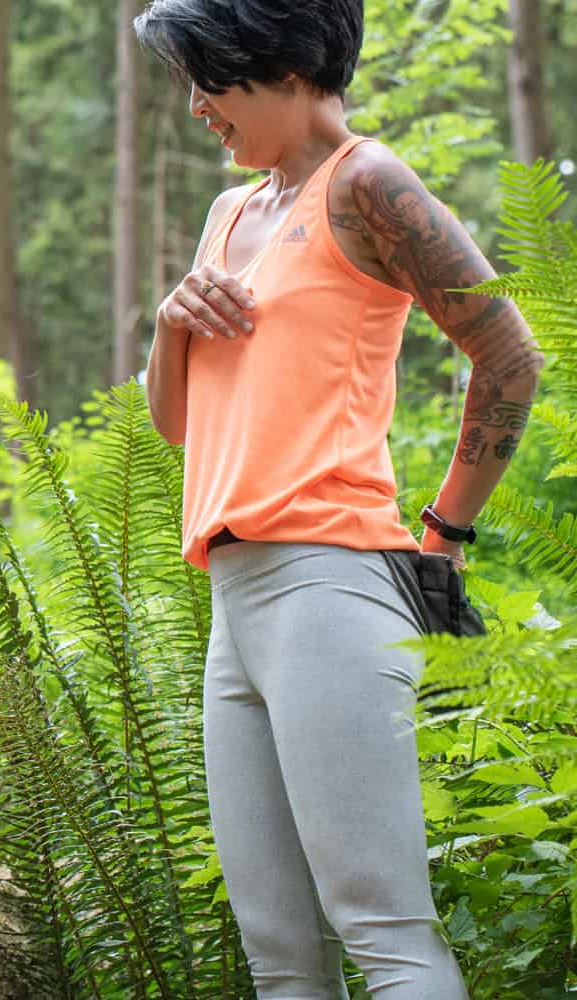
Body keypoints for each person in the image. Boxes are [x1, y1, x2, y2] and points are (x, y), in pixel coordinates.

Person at [133, 1, 544, 997]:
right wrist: (170, 325)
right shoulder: (230, 214)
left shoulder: (366, 183)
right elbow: (179, 426)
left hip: (330, 585)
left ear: (273, 63)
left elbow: (507, 353)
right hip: (234, 605)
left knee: (384, 932)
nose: (194, 106)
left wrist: (443, 531)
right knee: (278, 954)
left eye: (207, 79)